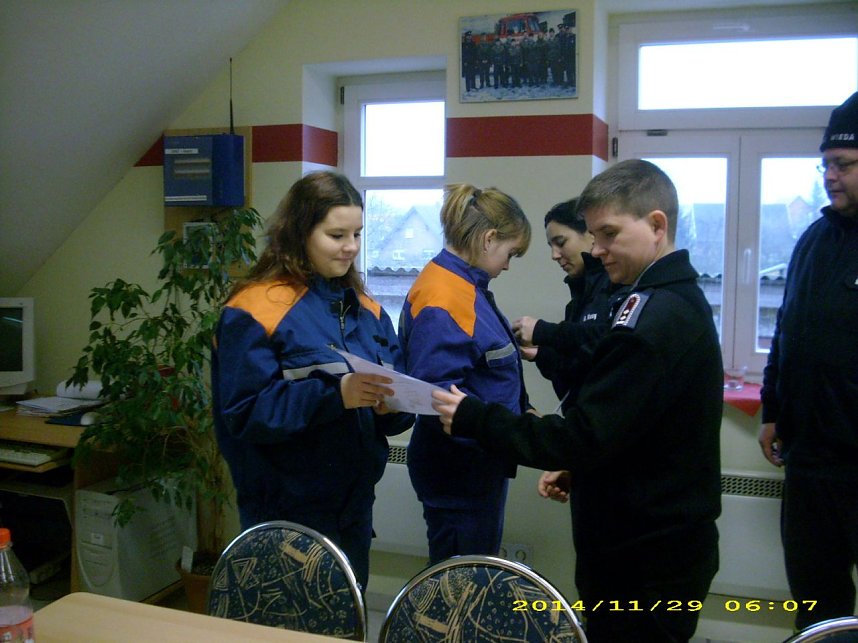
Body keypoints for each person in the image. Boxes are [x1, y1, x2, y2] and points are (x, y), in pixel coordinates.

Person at [432, 160, 723, 643]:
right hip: (640, 544)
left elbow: (583, 434)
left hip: (647, 559)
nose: (598, 249)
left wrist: (474, 418)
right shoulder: (656, 298)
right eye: (592, 234)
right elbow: (631, 428)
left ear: (656, 225)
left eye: (609, 233)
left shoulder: (655, 318)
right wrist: (589, 466)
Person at [211, 171, 413, 590]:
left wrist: (391, 407)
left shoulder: (368, 310)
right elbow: (245, 413)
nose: (351, 248)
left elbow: (394, 411)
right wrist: (336, 394)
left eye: (357, 234)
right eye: (336, 235)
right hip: (286, 514)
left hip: (354, 508)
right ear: (300, 232)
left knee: (344, 624)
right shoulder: (254, 309)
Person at [758, 91, 858, 632]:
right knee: (817, 606)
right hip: (811, 462)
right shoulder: (814, 239)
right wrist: (773, 410)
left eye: (843, 164)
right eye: (825, 164)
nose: (830, 176)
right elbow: (786, 333)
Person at [399, 183, 532, 565]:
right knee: (459, 593)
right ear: (490, 239)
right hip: (460, 474)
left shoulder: (463, 285)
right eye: (511, 253)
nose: (508, 264)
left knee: (470, 580)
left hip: (476, 469)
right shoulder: (445, 295)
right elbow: (437, 397)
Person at [513, 197, 617, 415]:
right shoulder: (578, 301)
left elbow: (607, 342)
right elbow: (575, 370)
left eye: (561, 242)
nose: (554, 255)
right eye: (551, 246)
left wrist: (542, 331)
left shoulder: (617, 287)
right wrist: (539, 354)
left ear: (591, 234)